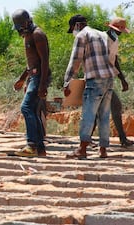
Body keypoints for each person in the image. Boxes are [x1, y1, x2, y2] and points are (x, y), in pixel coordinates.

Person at [64, 15, 115, 159]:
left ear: (77, 25)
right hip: (109, 79)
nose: (73, 31)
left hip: (95, 80)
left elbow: (75, 60)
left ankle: (82, 149)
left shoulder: (82, 35)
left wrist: (67, 81)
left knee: (88, 115)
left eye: (73, 28)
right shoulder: (102, 34)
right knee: (104, 116)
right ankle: (103, 150)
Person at [12, 9, 51, 157]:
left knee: (26, 107)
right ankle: (40, 148)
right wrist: (22, 78)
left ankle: (31, 144)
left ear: (27, 22)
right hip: (33, 76)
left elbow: (44, 61)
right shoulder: (28, 35)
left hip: (39, 77)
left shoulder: (37, 34)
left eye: (21, 27)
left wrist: (42, 84)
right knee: (33, 111)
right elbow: (32, 63)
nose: (20, 31)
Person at [105, 17, 133, 147]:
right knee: (112, 107)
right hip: (100, 77)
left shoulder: (114, 40)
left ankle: (122, 139)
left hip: (107, 78)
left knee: (112, 107)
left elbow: (114, 61)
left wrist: (122, 79)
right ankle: (86, 141)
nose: (120, 32)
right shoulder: (103, 39)